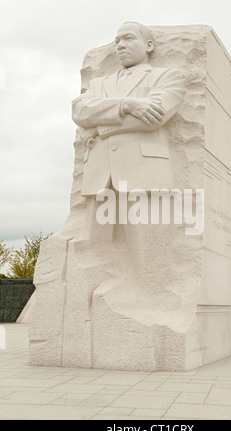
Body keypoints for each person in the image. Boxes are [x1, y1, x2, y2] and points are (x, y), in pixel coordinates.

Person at [71, 22, 186, 296]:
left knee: (149, 253)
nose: (120, 45)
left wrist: (102, 127)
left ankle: (152, 303)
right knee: (95, 254)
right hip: (100, 177)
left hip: (144, 173)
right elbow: (80, 110)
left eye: (128, 38)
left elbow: (156, 115)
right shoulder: (99, 83)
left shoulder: (167, 76)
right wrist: (128, 104)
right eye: (116, 41)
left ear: (148, 45)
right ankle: (96, 305)